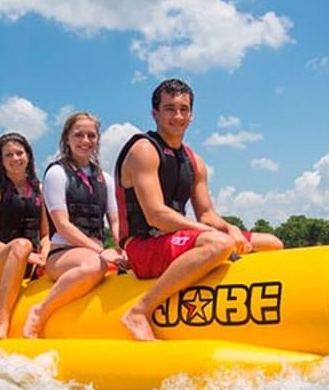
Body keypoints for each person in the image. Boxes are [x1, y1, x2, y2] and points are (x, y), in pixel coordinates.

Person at [114, 78, 283, 341]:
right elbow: (156, 215)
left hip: (176, 241)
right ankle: (139, 310)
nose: (177, 116)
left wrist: (230, 228)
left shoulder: (194, 161)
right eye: (169, 108)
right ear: (154, 113)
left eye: (184, 109)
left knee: (272, 243)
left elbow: (206, 214)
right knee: (218, 244)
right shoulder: (143, 150)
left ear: (191, 115)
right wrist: (218, 236)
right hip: (144, 247)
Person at [23, 112, 125, 338]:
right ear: (66, 138)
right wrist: (100, 251)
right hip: (62, 254)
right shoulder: (57, 173)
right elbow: (62, 225)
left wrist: (125, 248)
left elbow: (115, 221)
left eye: (91, 135)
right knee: (94, 266)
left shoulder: (105, 178)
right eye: (79, 135)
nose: (85, 141)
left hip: (95, 252)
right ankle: (40, 311)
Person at [0, 132, 50, 340]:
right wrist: (25, 253)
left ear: (28, 155)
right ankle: (2, 322)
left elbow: (45, 234)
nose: (15, 159)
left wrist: (44, 252)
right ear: (0, 160)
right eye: (9, 155)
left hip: (31, 261)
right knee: (21, 244)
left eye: (20, 153)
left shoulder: (39, 189)